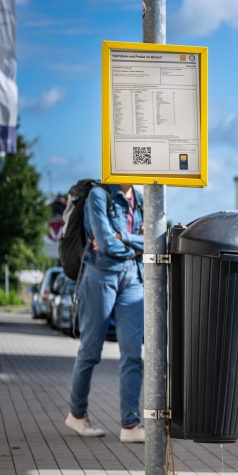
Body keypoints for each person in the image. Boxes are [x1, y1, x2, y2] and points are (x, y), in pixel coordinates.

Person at [65, 183, 145, 442]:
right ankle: (77, 416)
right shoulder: (98, 196)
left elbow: (155, 241)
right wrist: (134, 242)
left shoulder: (143, 199)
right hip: (100, 276)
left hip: (133, 278)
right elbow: (106, 243)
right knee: (90, 350)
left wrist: (124, 237)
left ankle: (130, 426)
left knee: (133, 354)